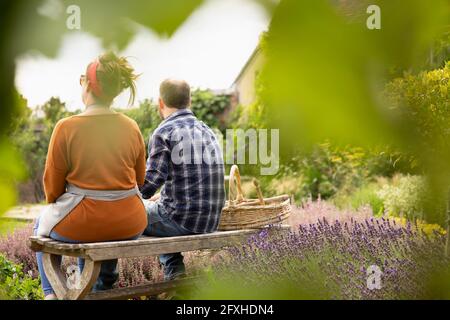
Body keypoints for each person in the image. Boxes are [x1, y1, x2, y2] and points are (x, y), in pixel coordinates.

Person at [34, 52, 147, 300]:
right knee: (104, 226)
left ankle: (52, 294)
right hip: (131, 221)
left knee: (40, 224)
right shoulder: (131, 126)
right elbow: (140, 181)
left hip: (84, 223)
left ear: (87, 84)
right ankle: (101, 288)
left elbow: (52, 190)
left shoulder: (66, 127)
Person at [140, 79, 226, 281]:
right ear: (190, 101)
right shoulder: (207, 131)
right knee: (158, 208)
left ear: (160, 103)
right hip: (211, 220)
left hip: (182, 220)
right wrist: (163, 197)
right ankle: (176, 279)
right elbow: (195, 179)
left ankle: (175, 279)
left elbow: (147, 186)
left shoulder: (164, 131)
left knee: (129, 212)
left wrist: (126, 196)